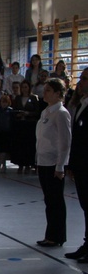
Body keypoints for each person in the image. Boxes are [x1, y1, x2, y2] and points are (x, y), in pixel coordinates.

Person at [35, 78, 71, 248]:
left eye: (49, 90)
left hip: (53, 163)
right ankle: (50, 234)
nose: (45, 92)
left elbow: (65, 142)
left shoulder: (61, 113)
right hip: (43, 161)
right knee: (49, 201)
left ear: (58, 94)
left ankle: (57, 236)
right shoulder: (46, 112)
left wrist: (60, 166)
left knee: (56, 201)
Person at [65, 69, 88, 261]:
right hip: (81, 165)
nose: (80, 83)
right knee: (85, 206)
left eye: (85, 79)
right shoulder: (81, 104)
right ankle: (87, 243)